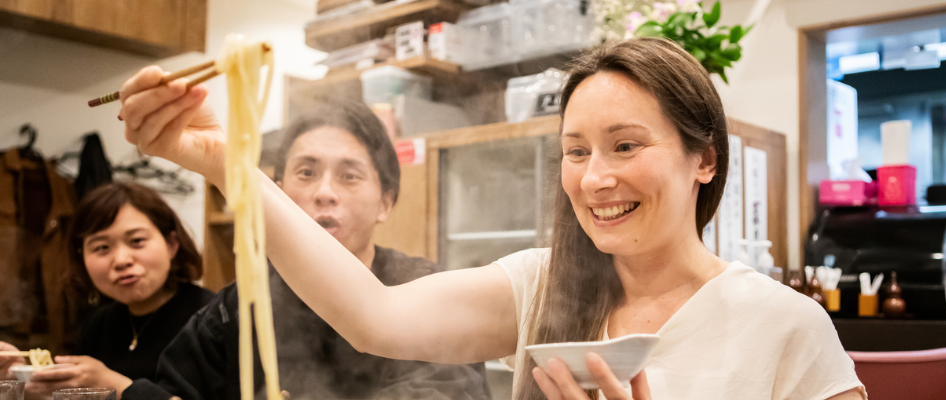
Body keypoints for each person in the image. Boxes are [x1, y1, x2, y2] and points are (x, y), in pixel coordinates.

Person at [118, 37, 866, 400]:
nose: (594, 178)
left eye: (626, 146)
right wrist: (226, 166)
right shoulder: (541, 286)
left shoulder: (785, 327)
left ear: (704, 159)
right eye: (575, 151)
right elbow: (371, 316)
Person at [120, 101, 492, 400]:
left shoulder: (426, 292)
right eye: (306, 173)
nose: (324, 193)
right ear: (276, 194)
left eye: (349, 176)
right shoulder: (238, 307)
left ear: (385, 203)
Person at [0, 182, 213, 399]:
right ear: (82, 257)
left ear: (172, 245)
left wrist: (112, 385)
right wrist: (20, 379)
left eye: (137, 241)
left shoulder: (211, 319)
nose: (121, 260)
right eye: (102, 247)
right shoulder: (99, 324)